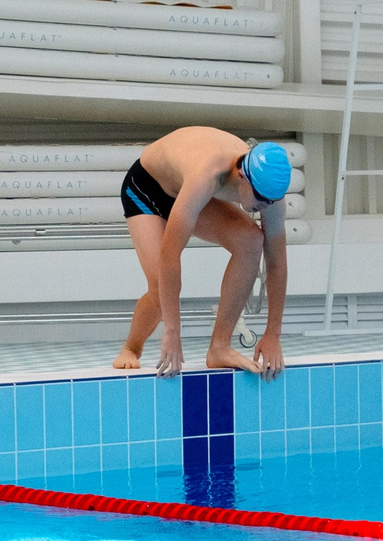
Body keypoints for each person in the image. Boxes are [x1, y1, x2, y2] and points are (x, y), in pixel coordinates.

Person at [112, 128, 292, 379]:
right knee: (159, 290)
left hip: (184, 191)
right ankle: (131, 348)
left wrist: (273, 333)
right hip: (147, 188)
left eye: (271, 201)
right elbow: (170, 254)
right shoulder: (207, 174)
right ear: (242, 176)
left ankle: (219, 347)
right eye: (260, 198)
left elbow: (276, 263)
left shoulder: (271, 197)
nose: (265, 206)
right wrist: (173, 332)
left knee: (251, 240)